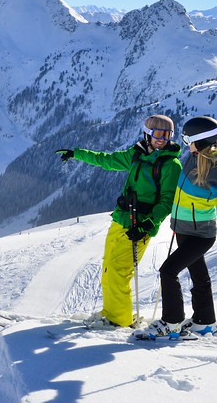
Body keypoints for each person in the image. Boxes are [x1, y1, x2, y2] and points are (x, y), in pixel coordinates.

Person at [56, 114, 182, 327]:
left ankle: (119, 320)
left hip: (140, 226)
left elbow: (168, 201)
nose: (162, 139)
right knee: (108, 267)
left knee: (119, 270)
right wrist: (77, 153)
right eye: (158, 134)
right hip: (121, 218)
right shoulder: (136, 155)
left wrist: (148, 225)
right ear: (147, 134)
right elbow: (107, 160)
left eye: (167, 135)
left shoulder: (171, 165)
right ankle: (111, 312)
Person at [137, 116, 217, 339]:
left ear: (200, 140)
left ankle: (172, 322)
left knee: (168, 271)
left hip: (200, 234)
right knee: (198, 275)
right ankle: (204, 322)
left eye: (188, 139)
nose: (186, 144)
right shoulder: (193, 158)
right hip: (183, 230)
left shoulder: (214, 168)